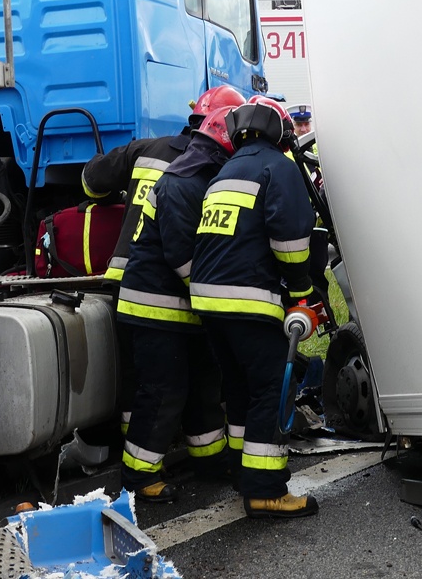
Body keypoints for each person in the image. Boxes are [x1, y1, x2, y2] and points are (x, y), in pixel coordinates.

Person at [81, 85, 247, 435]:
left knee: (135, 381)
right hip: (178, 288)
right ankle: (159, 459)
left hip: (125, 283)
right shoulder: (218, 169)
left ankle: (130, 454)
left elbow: (92, 182)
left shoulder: (145, 149)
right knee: (192, 379)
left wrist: (115, 196)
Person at [190, 96, 320, 518]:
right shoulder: (278, 168)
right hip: (247, 301)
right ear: (279, 131)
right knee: (270, 389)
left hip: (208, 304)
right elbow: (290, 243)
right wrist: (302, 292)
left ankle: (244, 475)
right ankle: (265, 490)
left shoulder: (225, 172)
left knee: (240, 390)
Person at [116, 106, 238, 502]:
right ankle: (139, 477)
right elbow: (182, 255)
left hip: (183, 308)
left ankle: (209, 459)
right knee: (163, 390)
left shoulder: (202, 176)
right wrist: (211, 296)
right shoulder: (184, 182)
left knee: (204, 384)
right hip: (156, 307)